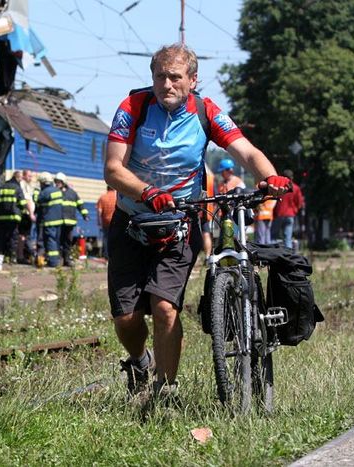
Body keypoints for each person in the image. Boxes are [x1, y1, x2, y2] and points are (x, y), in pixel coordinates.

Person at [104, 42, 291, 401]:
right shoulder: (132, 108)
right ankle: (140, 360)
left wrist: (270, 178)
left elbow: (246, 150)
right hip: (132, 222)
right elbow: (113, 169)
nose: (167, 84)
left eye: (175, 77)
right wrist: (147, 193)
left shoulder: (205, 111)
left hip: (180, 224)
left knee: (163, 307)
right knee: (126, 319)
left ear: (193, 79)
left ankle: (165, 391)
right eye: (160, 76)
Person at [0, 171, 27, 263]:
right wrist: (22, 212)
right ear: (17, 178)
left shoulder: (1, 187)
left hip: (0, 218)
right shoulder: (17, 188)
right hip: (13, 217)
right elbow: (22, 203)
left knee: (0, 237)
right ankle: (13, 257)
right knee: (13, 237)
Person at [54, 172, 89, 267]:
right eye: (56, 182)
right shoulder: (55, 192)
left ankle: (67, 260)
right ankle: (59, 260)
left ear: (63, 182)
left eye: (59, 182)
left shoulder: (72, 193)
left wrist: (85, 214)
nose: (57, 184)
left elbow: (80, 204)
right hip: (59, 222)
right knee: (58, 241)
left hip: (70, 222)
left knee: (67, 242)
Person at [34, 171, 63, 268]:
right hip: (58, 221)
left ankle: (53, 262)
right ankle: (56, 260)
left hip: (49, 221)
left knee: (50, 241)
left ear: (43, 182)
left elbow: (37, 200)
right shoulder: (57, 190)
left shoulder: (45, 192)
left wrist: (36, 191)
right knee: (56, 241)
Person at [271, 169, 304, 249]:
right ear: (292, 177)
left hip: (279, 214)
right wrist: (295, 210)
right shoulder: (296, 188)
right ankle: (288, 255)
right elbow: (300, 202)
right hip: (290, 215)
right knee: (288, 238)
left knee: (273, 236)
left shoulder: (278, 187)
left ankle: (272, 252)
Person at [17, 169, 37, 263]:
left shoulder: (28, 186)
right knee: (23, 235)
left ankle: (24, 256)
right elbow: (27, 200)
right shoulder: (22, 185)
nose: (30, 178)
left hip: (28, 214)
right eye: (29, 176)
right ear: (24, 176)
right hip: (25, 214)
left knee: (26, 235)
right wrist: (31, 213)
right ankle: (20, 256)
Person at [96, 186, 117, 259]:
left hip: (106, 221)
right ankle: (115, 254)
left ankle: (106, 255)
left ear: (107, 188)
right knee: (115, 238)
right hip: (116, 221)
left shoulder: (102, 197)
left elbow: (99, 211)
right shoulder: (116, 197)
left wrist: (99, 221)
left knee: (106, 238)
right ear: (113, 188)